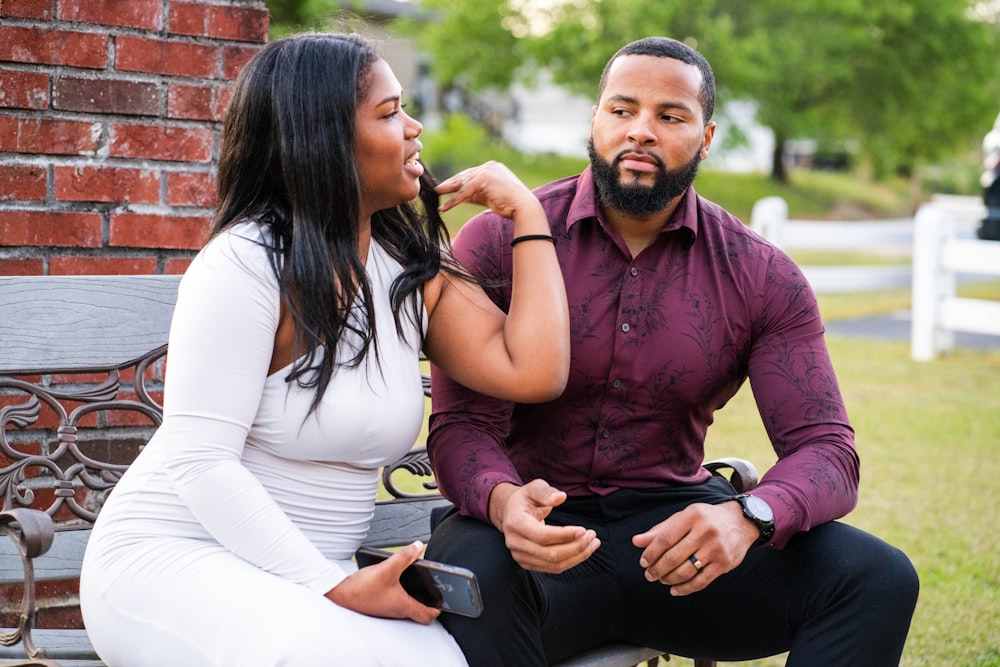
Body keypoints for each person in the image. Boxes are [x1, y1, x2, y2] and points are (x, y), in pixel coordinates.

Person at [79, 32, 570, 667]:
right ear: (326, 140)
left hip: (309, 577)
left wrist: (528, 218)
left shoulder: (405, 270)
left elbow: (534, 370)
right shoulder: (247, 264)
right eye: (391, 113)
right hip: (174, 561)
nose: (414, 128)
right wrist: (331, 585)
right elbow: (200, 461)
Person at [425, 36, 919, 666]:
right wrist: (502, 501)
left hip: (675, 553)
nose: (641, 132)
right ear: (595, 119)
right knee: (469, 573)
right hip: (532, 543)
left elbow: (829, 450)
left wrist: (750, 517)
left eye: (671, 116)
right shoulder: (500, 238)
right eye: (622, 110)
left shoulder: (761, 274)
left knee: (877, 576)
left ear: (706, 138)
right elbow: (462, 425)